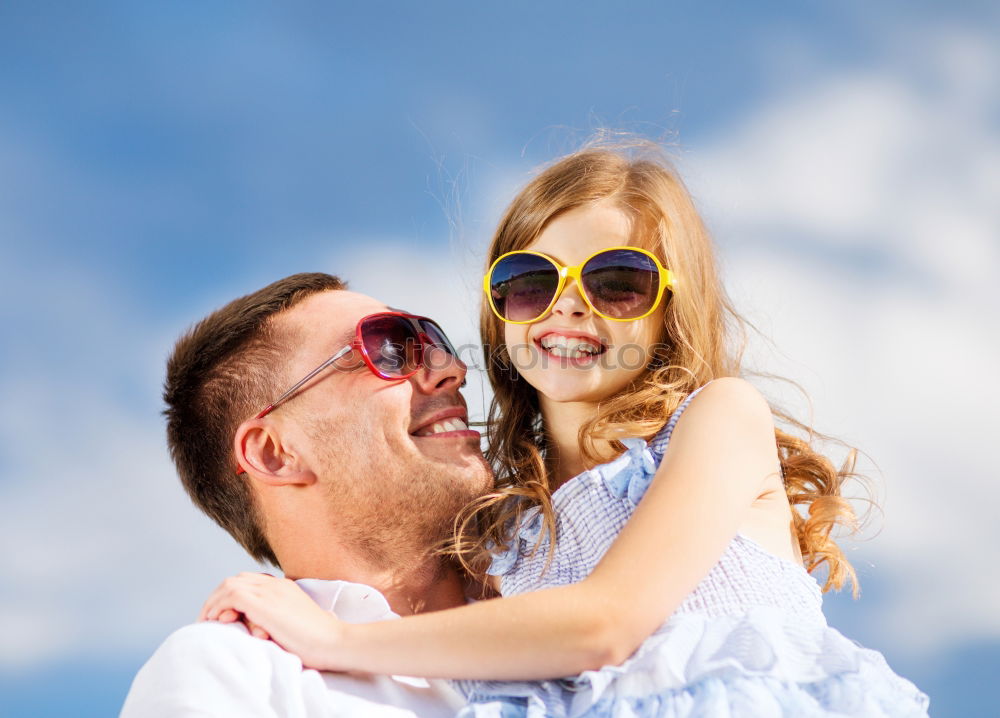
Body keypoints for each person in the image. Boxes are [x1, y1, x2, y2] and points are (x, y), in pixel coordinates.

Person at [201, 142, 931, 717]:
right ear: (500, 310)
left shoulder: (715, 422)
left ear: (672, 308)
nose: (569, 307)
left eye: (617, 281)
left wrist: (340, 642)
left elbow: (605, 624)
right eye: (531, 282)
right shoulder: (504, 539)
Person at [121, 273, 493, 716]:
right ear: (275, 453)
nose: (451, 369)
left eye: (432, 339)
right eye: (387, 348)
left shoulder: (570, 588)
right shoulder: (232, 671)